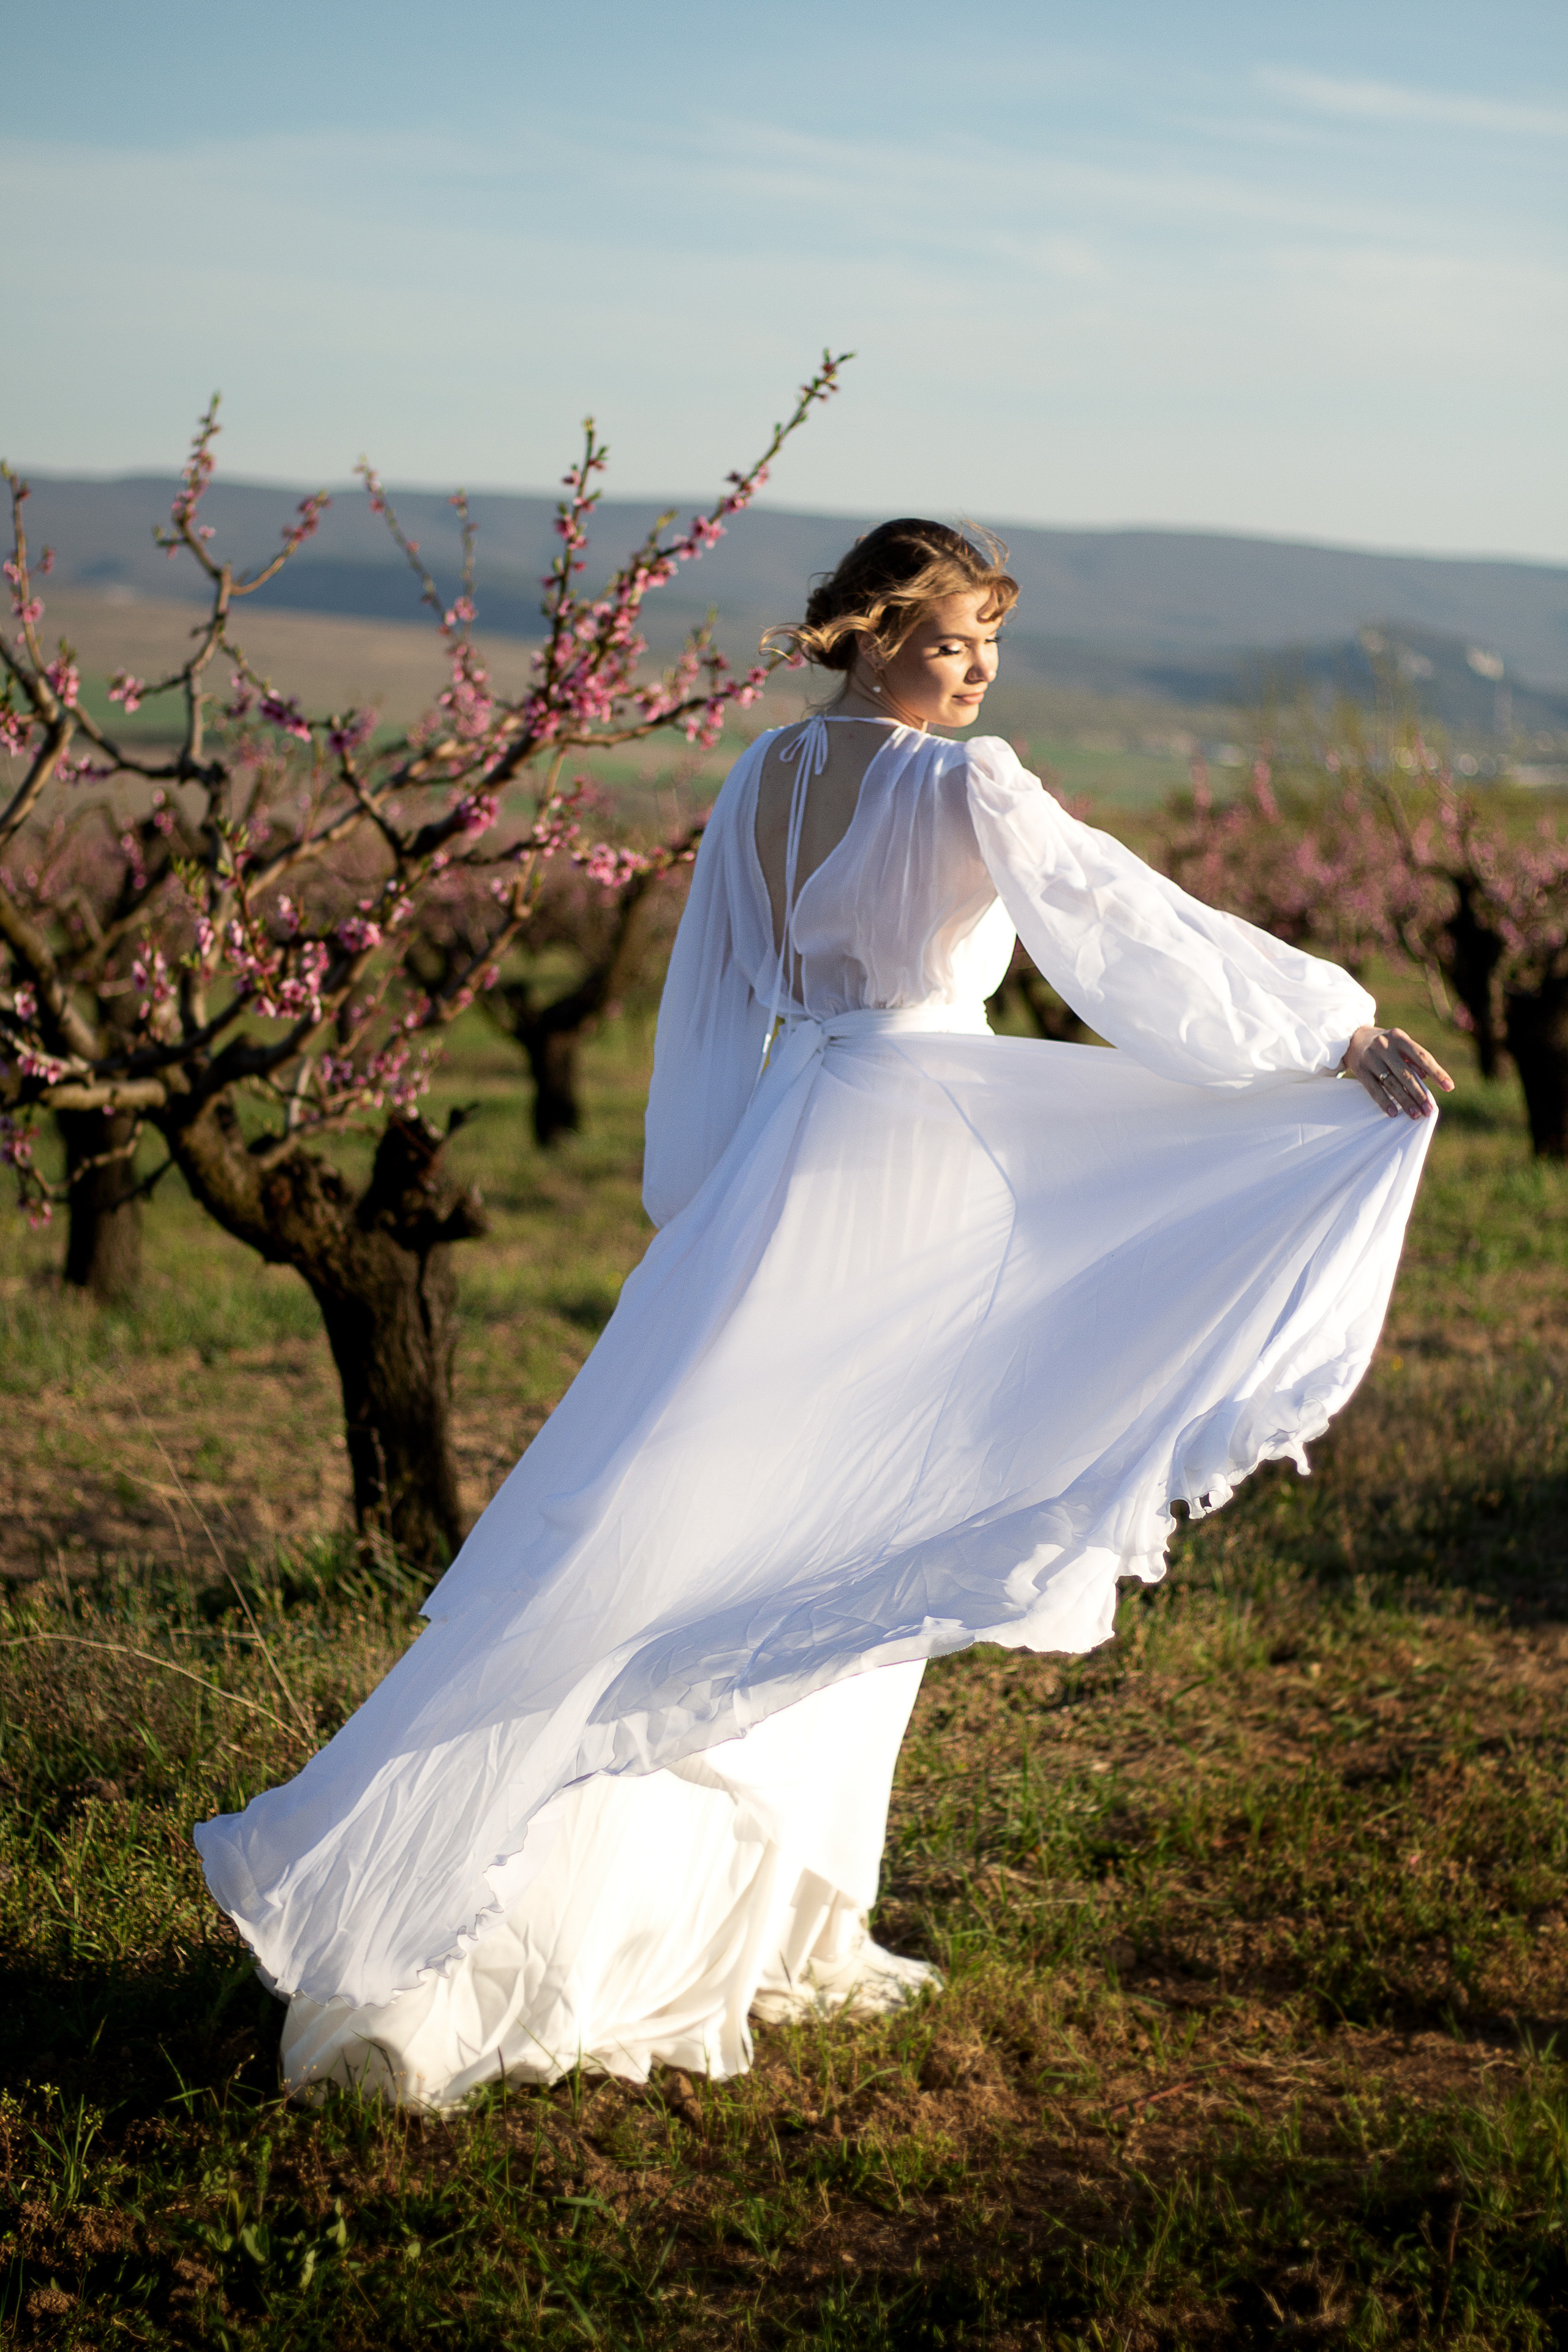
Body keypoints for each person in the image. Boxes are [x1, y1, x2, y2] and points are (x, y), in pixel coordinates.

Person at [195, 520, 1451, 2111]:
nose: (978, 669)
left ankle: (745, 1917)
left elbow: (715, 1009)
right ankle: (694, 1933)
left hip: (796, 1152)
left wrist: (716, 1206)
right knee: (848, 1541)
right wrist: (1330, 1027)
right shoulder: (956, 785)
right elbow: (1125, 928)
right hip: (923, 1164)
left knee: (722, 1527)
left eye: (992, 639)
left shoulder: (759, 785)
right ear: (868, 632)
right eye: (948, 638)